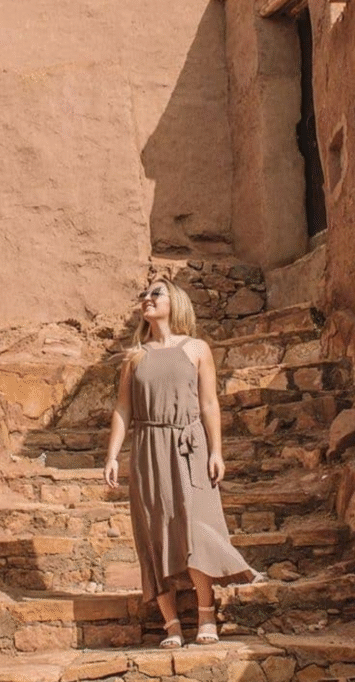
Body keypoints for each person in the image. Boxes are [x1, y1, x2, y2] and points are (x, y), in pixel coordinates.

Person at [103, 277, 255, 648]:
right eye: (144, 294)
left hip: (190, 446)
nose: (147, 298)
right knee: (154, 531)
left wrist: (216, 450)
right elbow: (123, 408)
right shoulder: (135, 357)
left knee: (196, 525)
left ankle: (206, 613)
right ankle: (171, 623)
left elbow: (209, 403)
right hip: (148, 448)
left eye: (155, 293)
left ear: (176, 301)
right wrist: (112, 455)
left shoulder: (197, 348)